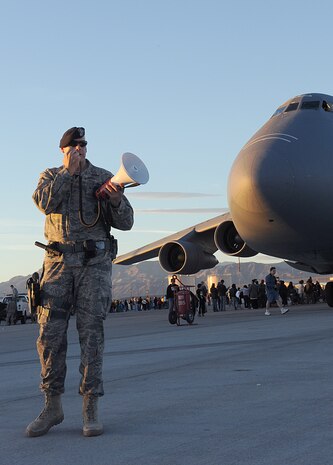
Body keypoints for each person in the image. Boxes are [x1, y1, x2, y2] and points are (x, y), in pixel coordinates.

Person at [26, 127, 134, 438]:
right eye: (73, 146)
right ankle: (52, 406)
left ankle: (90, 407)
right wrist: (67, 174)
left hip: (93, 265)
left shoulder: (103, 177)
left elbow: (126, 223)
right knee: (50, 337)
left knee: (92, 335)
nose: (80, 150)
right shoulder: (50, 176)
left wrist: (116, 201)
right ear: (63, 151)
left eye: (83, 145)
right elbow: (44, 203)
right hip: (58, 265)